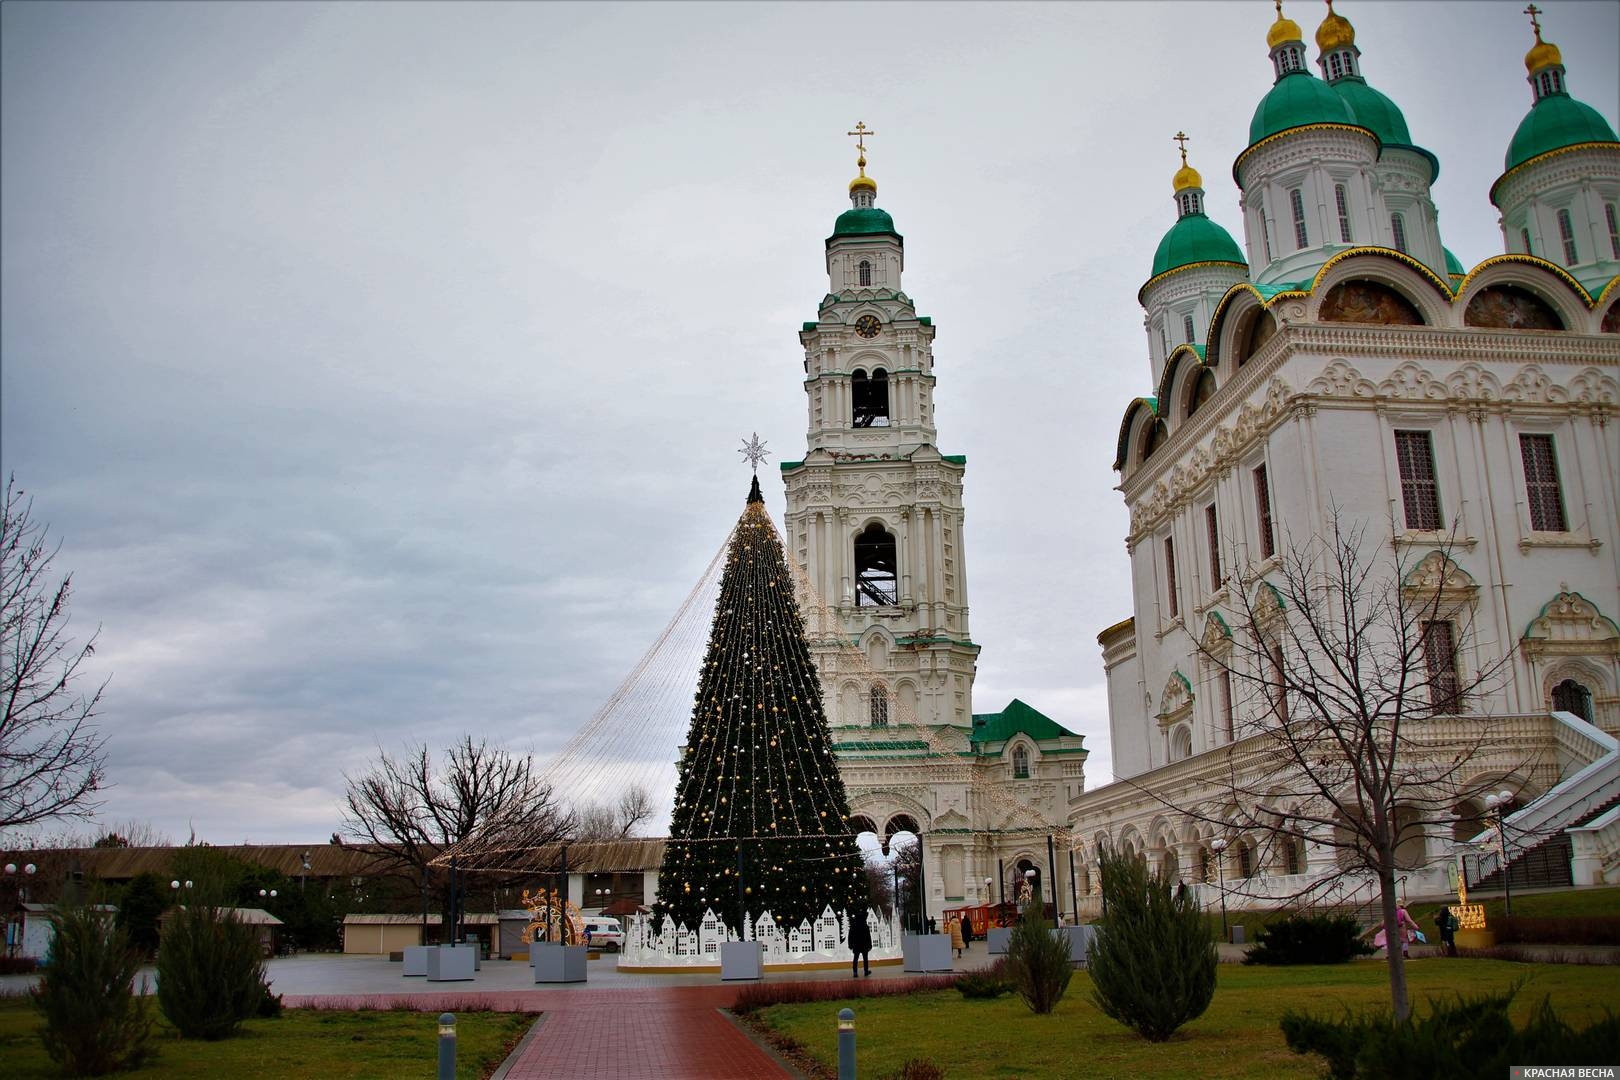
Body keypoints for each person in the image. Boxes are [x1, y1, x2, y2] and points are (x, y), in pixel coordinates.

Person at [848, 912, 872, 978]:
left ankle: (855, 972)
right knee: (865, 958)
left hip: (856, 944)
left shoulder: (853, 925)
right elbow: (868, 936)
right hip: (864, 944)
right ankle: (866, 971)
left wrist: (850, 945)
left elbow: (850, 936)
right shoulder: (865, 926)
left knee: (855, 958)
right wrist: (870, 945)